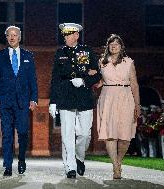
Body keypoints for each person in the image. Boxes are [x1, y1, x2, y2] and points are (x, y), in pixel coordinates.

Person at [49, 23, 102, 179]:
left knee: (84, 135)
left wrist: (84, 81)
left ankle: (80, 158)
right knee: (67, 134)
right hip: (66, 95)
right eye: (64, 34)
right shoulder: (60, 53)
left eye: (68, 34)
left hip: (84, 95)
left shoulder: (87, 51)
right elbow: (55, 78)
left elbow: (97, 74)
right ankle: (70, 167)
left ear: (76, 35)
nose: (65, 37)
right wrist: (53, 101)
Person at [0, 26, 38, 176]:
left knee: (22, 132)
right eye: (9, 35)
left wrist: (34, 98)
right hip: (5, 101)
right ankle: (8, 165)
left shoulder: (28, 56)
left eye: (15, 35)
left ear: (19, 37)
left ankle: (21, 159)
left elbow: (32, 80)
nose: (12, 37)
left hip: (23, 102)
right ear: (6, 37)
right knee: (7, 133)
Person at [90, 34, 140, 179]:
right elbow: (98, 83)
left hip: (126, 97)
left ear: (121, 46)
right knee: (110, 135)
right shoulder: (102, 62)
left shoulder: (128, 62)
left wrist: (137, 104)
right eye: (111, 43)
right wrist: (90, 77)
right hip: (108, 97)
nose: (114, 46)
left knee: (125, 137)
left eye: (117, 43)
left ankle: (119, 161)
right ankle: (115, 167)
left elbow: (135, 84)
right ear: (108, 46)